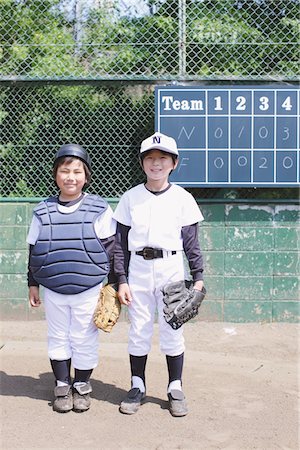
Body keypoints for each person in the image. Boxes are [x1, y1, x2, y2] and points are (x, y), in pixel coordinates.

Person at [113, 132, 204, 417]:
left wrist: (198, 275)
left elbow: (191, 241)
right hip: (138, 268)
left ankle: (175, 386)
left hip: (171, 268)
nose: (156, 163)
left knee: (173, 327)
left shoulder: (182, 198)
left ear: (173, 163)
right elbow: (119, 243)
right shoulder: (130, 198)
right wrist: (121, 279)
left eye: (162, 158)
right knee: (138, 329)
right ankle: (137, 385)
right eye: (150, 158)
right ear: (142, 164)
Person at [27, 143, 116, 413]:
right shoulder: (43, 211)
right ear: (56, 175)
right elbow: (34, 249)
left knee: (84, 337)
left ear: (86, 176)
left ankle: (82, 386)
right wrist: (32, 284)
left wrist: (113, 285)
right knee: (57, 336)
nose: (71, 177)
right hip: (53, 288)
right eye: (65, 171)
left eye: (77, 171)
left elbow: (112, 248)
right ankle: (62, 385)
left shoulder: (99, 208)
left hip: (88, 288)